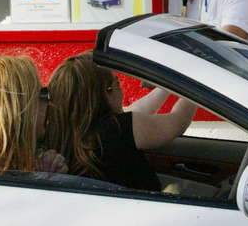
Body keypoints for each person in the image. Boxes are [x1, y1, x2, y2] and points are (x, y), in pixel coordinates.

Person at [44, 51, 197, 191]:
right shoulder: (116, 129)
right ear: (106, 96)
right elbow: (178, 122)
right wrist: (196, 82)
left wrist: (170, 83)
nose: (121, 89)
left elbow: (137, 110)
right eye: (116, 83)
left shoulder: (71, 132)